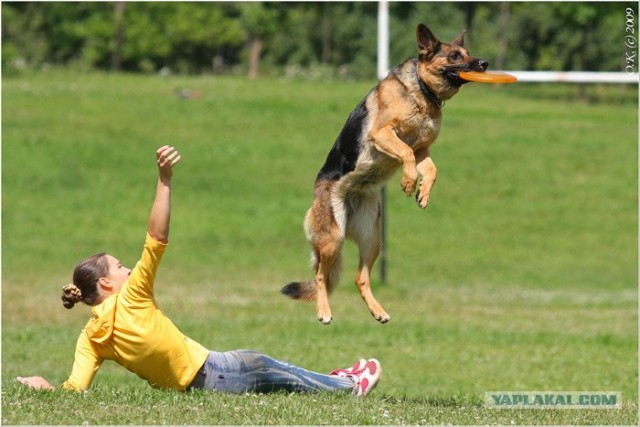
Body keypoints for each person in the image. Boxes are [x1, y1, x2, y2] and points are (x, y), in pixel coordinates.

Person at [16, 145, 381, 396]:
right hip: (213, 371)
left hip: (197, 382)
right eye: (120, 266)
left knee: (272, 371)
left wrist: (42, 385)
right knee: (269, 367)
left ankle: (335, 382)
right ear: (106, 283)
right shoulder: (130, 297)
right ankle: (348, 385)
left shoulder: (92, 336)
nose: (127, 268)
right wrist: (164, 180)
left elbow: (75, 388)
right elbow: (156, 238)